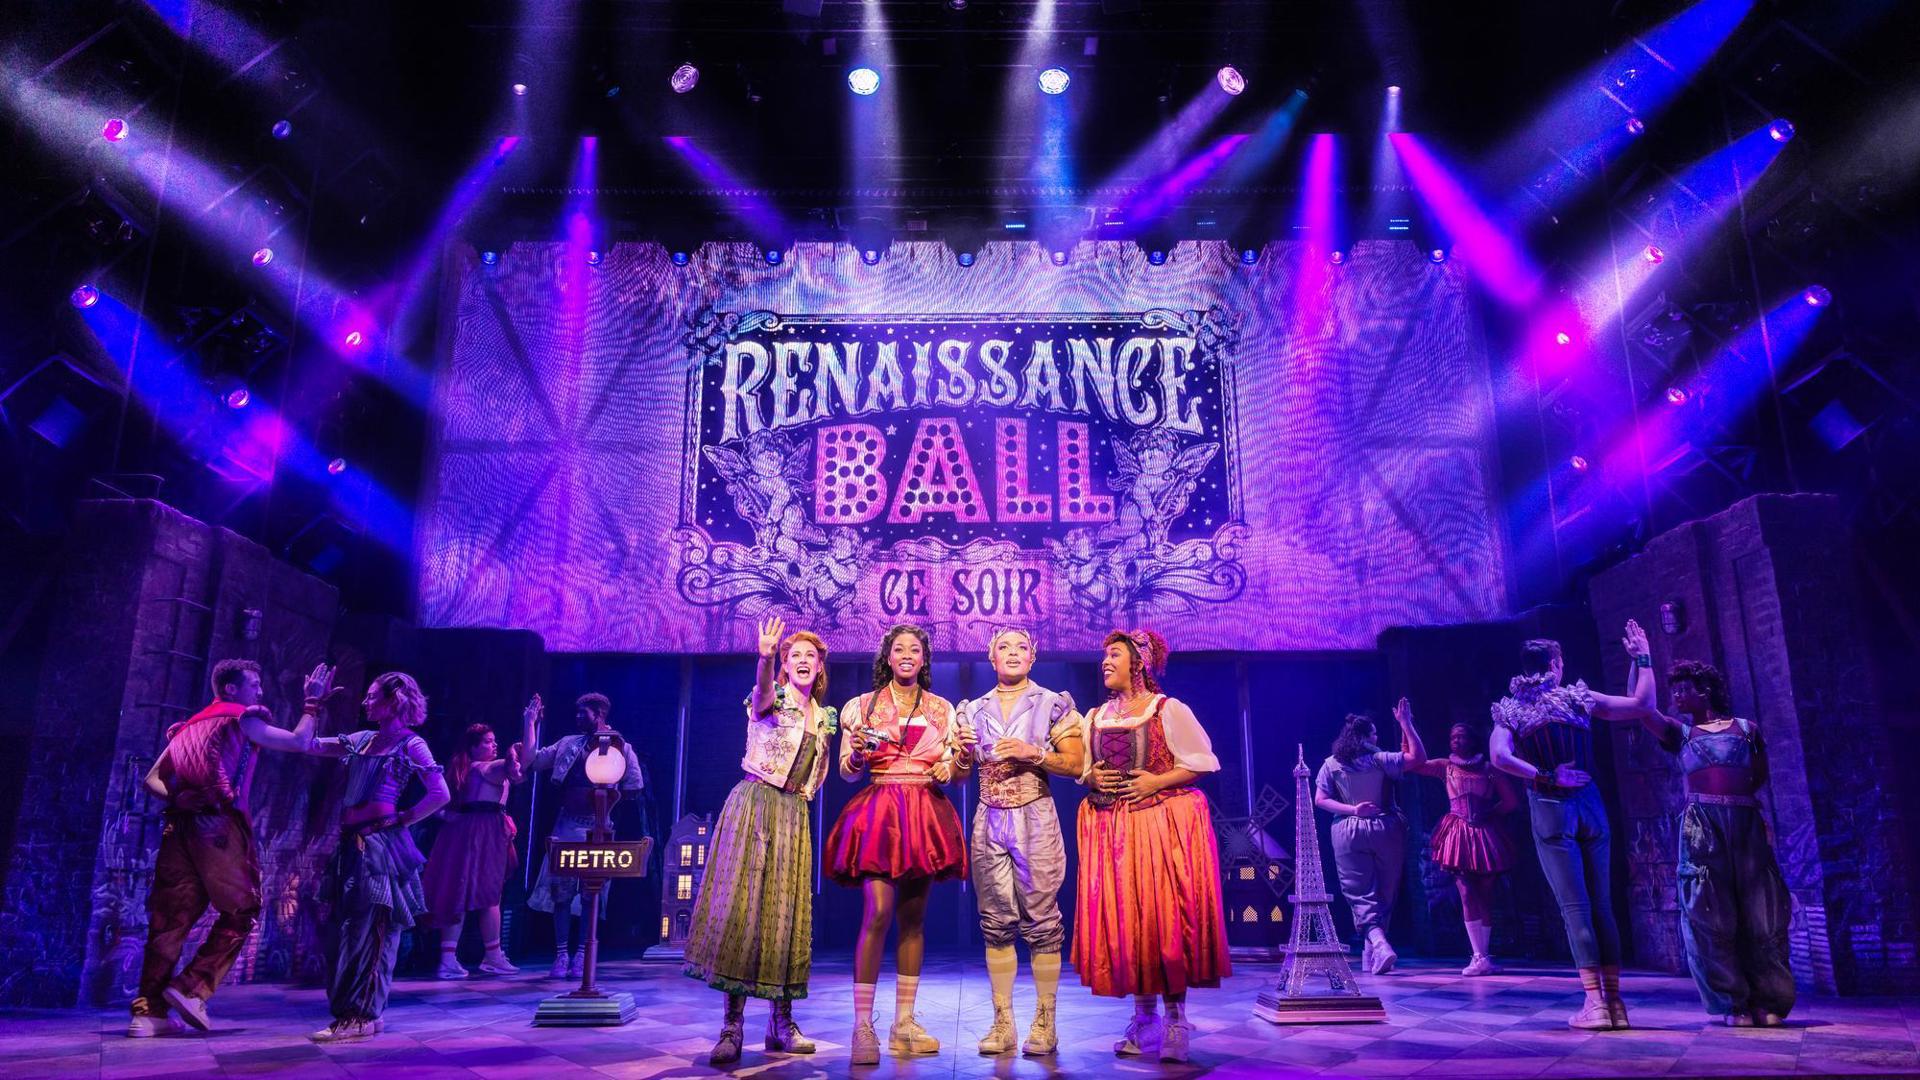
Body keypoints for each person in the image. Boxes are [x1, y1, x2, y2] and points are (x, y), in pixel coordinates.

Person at [129, 659, 332, 1037]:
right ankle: (191, 988)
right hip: (219, 825)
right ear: (231, 689)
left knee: (169, 921)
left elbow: (151, 780)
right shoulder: (241, 717)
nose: (260, 691)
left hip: (179, 827)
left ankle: (147, 1013)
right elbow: (299, 742)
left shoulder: (187, 726)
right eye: (254, 684)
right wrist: (312, 705)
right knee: (242, 910)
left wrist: (181, 798)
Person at [1072, 629, 1230, 1064]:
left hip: (1160, 823)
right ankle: (1144, 1020)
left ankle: (1176, 1019)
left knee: (1164, 920)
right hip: (1115, 830)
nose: (1105, 661)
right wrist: (1090, 778)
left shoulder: (1167, 710)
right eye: (1104, 655)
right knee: (1130, 922)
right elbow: (1084, 768)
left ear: (1138, 662)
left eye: (1115, 655)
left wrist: (1157, 780)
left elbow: (1201, 762)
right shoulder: (1096, 716)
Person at [685, 616, 838, 1065]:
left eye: (811, 656)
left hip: (793, 812)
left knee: (784, 913)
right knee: (745, 909)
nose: (803, 661)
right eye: (795, 656)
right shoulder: (770, 696)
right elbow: (763, 697)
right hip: (756, 802)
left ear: (821, 666)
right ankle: (732, 1025)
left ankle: (781, 1021)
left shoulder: (824, 716)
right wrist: (765, 656)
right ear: (785, 666)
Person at [1489, 622, 1655, 1030]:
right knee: (1602, 905)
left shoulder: (1512, 709)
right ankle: (1615, 1004)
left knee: (1575, 907)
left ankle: (1596, 1005)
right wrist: (1643, 658)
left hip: (1551, 807)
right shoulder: (1578, 699)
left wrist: (1546, 775)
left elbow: (1499, 757)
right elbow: (1641, 704)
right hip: (1591, 805)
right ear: (1556, 664)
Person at [824, 623, 973, 1065]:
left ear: (924, 659)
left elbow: (957, 770)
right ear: (887, 657)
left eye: (915, 649)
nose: (906, 655)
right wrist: (853, 754)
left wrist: (958, 763)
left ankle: (903, 1022)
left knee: (913, 919)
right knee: (879, 912)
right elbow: (847, 772)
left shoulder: (942, 709)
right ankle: (862, 1024)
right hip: (881, 814)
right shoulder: (861, 706)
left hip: (925, 812)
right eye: (898, 648)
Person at [953, 627, 1084, 1057]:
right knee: (995, 920)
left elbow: (1077, 763)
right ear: (991, 658)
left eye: (1021, 647)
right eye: (1003, 647)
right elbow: (957, 772)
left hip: (1035, 815)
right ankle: (1002, 1021)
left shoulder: (1052, 703)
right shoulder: (973, 709)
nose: (1013, 653)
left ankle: (1045, 1020)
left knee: (1043, 919)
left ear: (1033, 656)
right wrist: (958, 755)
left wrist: (1035, 754)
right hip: (988, 817)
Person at [304, 672, 452, 1042]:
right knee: (346, 930)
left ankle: (362, 1014)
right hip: (350, 843)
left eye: (372, 697)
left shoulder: (411, 744)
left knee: (373, 931)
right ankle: (352, 1012)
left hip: (381, 846)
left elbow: (440, 793)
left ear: (394, 701)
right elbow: (306, 744)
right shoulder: (362, 740)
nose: (365, 703)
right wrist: (312, 703)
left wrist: (403, 818)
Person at [1651, 659, 1795, 1027]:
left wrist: (1743, 812)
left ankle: (1769, 1000)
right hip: (1703, 825)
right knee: (1709, 912)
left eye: (1685, 689)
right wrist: (1643, 659)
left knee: (1761, 912)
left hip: (1744, 820)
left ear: (1706, 689)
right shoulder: (1679, 733)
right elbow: (1642, 709)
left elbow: (1758, 775)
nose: (1678, 696)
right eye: (1675, 690)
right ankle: (1733, 1003)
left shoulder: (1747, 729)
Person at [522, 692, 644, 979]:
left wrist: (606, 804)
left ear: (599, 714)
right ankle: (561, 954)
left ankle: (582, 955)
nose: (577, 718)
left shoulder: (620, 747)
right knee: (561, 893)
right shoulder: (568, 744)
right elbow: (532, 760)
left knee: (592, 894)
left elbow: (634, 786)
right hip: (566, 826)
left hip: (598, 826)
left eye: (583, 713)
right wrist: (530, 723)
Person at [1313, 699, 1426, 975]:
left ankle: (1374, 947)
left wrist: (1353, 809)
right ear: (1364, 737)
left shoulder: (1331, 763)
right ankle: (1379, 944)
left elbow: (1321, 799)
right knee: (1384, 892)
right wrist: (1406, 725)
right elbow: (1419, 758)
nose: (1377, 738)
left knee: (1359, 892)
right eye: (1374, 734)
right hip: (1385, 828)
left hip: (1349, 830)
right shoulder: (1380, 759)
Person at [1409, 723, 1520, 976]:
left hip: (1484, 833)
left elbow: (1510, 801)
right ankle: (1477, 955)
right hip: (1458, 833)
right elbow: (1414, 763)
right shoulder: (1445, 767)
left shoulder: (1490, 770)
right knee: (1466, 892)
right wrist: (1407, 725)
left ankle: (1485, 956)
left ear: (1472, 740)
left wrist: (1489, 812)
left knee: (1485, 895)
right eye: (1452, 736)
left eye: (1461, 736)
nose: (1456, 740)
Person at [421, 719, 526, 979]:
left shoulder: (465, 768)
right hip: (482, 831)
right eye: (488, 741)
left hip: (470, 830)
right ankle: (482, 956)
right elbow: (527, 758)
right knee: (484, 893)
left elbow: (440, 803)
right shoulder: (487, 768)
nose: (494, 745)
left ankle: (474, 956)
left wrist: (446, 817)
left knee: (466, 890)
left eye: (494, 741)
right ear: (474, 747)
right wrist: (529, 724)